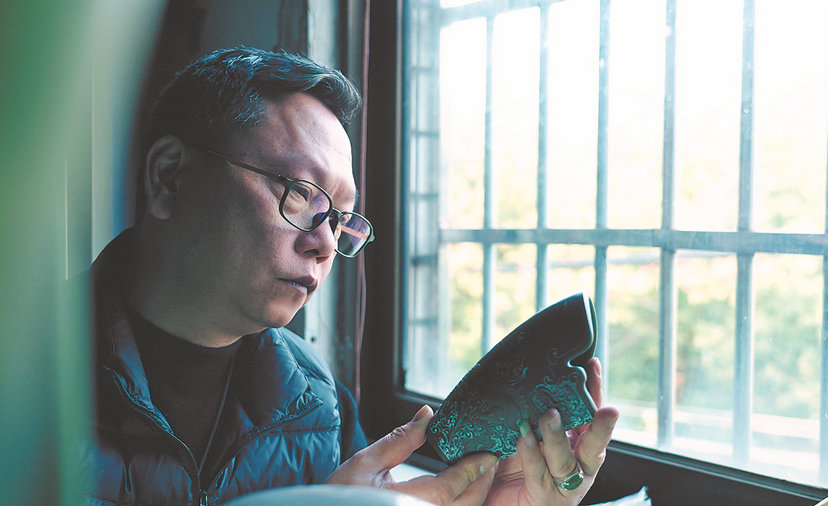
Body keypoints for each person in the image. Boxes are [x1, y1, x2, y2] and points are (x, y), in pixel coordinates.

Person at [88, 46, 618, 505]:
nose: (324, 244)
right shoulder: (41, 379)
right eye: (300, 194)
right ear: (169, 177)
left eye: (340, 219)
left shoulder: (318, 404)